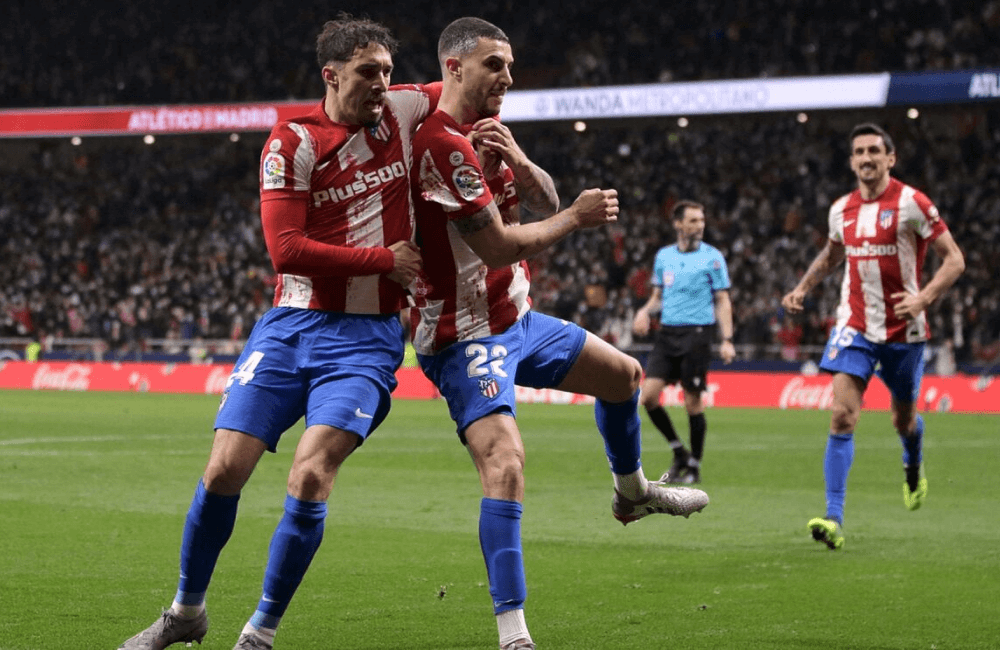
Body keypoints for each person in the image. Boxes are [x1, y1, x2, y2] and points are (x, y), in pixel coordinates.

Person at [117, 15, 441, 650]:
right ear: (332, 74)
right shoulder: (292, 142)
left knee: (311, 474)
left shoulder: (403, 109)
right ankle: (186, 613)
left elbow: (460, 80)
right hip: (291, 328)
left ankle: (258, 633)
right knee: (222, 472)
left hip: (368, 337)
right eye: (367, 72)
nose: (382, 83)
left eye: (387, 71)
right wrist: (386, 260)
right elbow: (285, 249)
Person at [408, 17, 709, 650]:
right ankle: (513, 633)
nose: (509, 77)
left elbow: (543, 195)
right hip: (464, 336)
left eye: (511, 64)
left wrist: (516, 158)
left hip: (517, 320)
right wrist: (575, 218)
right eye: (495, 64)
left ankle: (632, 496)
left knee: (625, 377)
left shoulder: (487, 135)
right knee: (506, 465)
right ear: (455, 68)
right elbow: (497, 247)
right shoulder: (440, 143)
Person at [781, 122, 965, 550]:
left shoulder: (912, 203)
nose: (866, 158)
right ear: (851, 161)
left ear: (890, 158)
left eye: (873, 151)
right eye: (859, 152)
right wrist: (803, 288)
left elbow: (954, 260)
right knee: (843, 415)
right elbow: (831, 255)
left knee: (903, 420)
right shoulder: (841, 209)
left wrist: (924, 299)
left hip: (905, 329)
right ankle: (833, 517)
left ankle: (913, 459)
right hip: (855, 326)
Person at [631, 200, 735, 484]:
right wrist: (643, 311)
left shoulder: (712, 258)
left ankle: (695, 464)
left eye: (701, 220)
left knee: (692, 402)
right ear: (678, 224)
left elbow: (723, 299)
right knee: (648, 397)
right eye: (693, 221)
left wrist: (727, 339)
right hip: (667, 334)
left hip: (697, 334)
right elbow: (657, 297)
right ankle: (679, 451)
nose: (699, 225)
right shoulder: (664, 256)